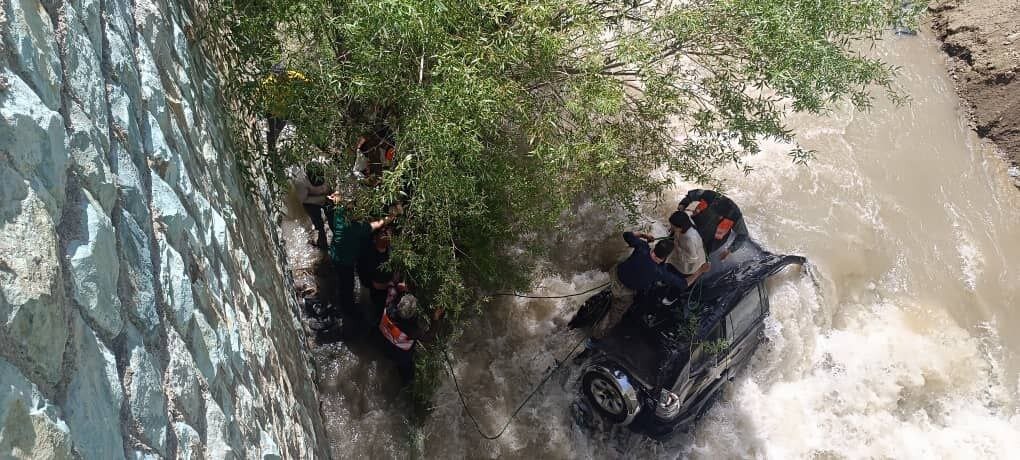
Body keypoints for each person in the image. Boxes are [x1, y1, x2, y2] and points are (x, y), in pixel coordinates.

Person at [592, 231, 711, 339]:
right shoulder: (660, 272)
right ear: (666, 257)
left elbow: (627, 234)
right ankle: (594, 340)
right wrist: (700, 271)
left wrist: (644, 236)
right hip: (624, 292)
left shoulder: (642, 247)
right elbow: (683, 284)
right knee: (613, 317)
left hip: (615, 275)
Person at [328, 192, 401, 314]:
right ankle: (348, 309)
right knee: (347, 285)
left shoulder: (340, 213)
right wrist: (392, 217)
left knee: (345, 281)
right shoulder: (355, 228)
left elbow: (338, 200)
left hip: (337, 252)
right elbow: (377, 224)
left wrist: (338, 197)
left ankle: (346, 302)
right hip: (344, 261)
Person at [378, 286, 442, 383]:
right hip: (400, 355)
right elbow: (429, 337)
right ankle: (407, 382)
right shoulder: (412, 330)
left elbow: (393, 292)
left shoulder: (390, 307)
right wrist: (435, 318)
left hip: (384, 344)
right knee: (407, 372)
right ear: (411, 314)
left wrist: (403, 289)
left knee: (389, 355)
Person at [677, 189, 749, 260]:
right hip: (697, 224)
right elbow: (690, 195)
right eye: (715, 214)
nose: (718, 217)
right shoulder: (710, 196)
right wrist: (683, 204)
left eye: (720, 217)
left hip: (712, 240)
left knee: (698, 256)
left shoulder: (735, 215)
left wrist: (729, 250)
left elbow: (743, 235)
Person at [262, 63, 308, 155]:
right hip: (271, 110)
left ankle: (272, 146)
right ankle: (271, 149)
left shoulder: (292, 75)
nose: (278, 77)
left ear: (284, 72)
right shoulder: (269, 82)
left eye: (280, 74)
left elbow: (306, 81)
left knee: (278, 129)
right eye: (275, 75)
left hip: (285, 110)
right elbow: (260, 93)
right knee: (270, 130)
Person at [358, 228, 393, 321]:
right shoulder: (370, 257)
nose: (386, 233)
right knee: (377, 307)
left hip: (384, 287)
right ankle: (377, 320)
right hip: (377, 289)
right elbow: (373, 284)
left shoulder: (390, 251)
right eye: (383, 233)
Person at [294, 162, 332, 248]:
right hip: (310, 202)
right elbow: (303, 199)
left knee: (333, 218)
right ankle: (322, 244)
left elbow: (334, 184)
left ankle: (337, 240)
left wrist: (333, 194)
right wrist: (322, 199)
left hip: (327, 197)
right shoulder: (301, 181)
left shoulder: (329, 171)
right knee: (319, 225)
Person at [666, 211, 708, 281]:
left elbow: (692, 259)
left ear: (680, 227)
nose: (672, 228)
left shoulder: (689, 239)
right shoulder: (686, 223)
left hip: (689, 263)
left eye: (673, 226)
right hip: (683, 251)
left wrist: (678, 249)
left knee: (675, 272)